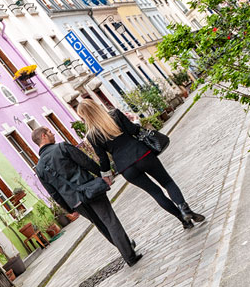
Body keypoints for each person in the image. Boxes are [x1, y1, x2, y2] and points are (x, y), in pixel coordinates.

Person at [76, 98, 204, 229]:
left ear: (84, 117)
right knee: (167, 182)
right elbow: (134, 131)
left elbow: (103, 159)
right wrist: (135, 120)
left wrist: (106, 176)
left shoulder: (92, 136)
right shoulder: (115, 114)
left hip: (125, 168)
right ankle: (185, 209)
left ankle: (184, 221)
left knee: (156, 193)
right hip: (142, 155)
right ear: (97, 106)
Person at [31, 126, 141, 267]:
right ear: (43, 136)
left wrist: (69, 209)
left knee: (101, 225)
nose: (53, 134)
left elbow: (53, 193)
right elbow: (86, 162)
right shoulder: (62, 147)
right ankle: (130, 255)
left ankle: (125, 246)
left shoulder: (39, 168)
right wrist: (103, 175)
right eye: (50, 132)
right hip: (90, 190)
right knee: (110, 221)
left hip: (76, 202)